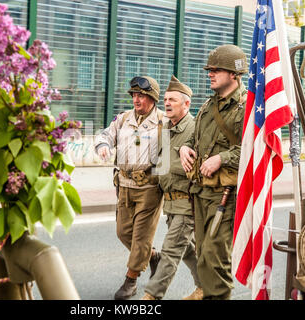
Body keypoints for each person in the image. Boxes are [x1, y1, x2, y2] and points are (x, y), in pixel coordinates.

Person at [179, 44, 247, 300]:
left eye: (217, 69)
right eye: (210, 69)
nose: (210, 73)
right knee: (204, 259)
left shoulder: (246, 106)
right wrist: (184, 149)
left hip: (225, 196)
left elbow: (255, 152)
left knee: (215, 258)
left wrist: (223, 158)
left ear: (233, 74)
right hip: (201, 193)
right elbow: (196, 140)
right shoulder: (209, 106)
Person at [94, 76, 164, 300]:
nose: (136, 99)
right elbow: (106, 134)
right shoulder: (123, 119)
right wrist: (103, 146)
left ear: (152, 98)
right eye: (134, 95)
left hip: (150, 189)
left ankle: (131, 280)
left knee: (142, 236)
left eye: (141, 95)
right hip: (124, 185)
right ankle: (153, 257)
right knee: (123, 232)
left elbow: (168, 162)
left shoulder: (164, 122)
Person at [141, 76, 202, 301]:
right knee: (187, 249)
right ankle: (205, 286)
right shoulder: (166, 127)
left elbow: (198, 165)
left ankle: (151, 297)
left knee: (170, 251)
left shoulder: (196, 128)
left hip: (188, 202)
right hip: (170, 202)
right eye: (165, 99)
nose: (167, 103)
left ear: (186, 104)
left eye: (173, 100)